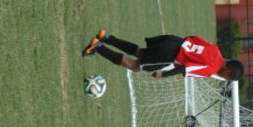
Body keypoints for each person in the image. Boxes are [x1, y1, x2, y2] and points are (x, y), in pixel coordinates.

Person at [81, 30, 244, 81]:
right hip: (169, 54)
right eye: (226, 78)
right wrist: (163, 74)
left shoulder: (216, 50)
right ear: (227, 71)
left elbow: (193, 37)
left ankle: (106, 37)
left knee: (140, 53)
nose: (222, 78)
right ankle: (98, 47)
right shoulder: (211, 69)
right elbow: (184, 68)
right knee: (135, 66)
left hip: (173, 40)